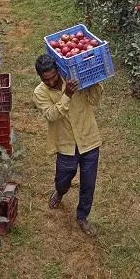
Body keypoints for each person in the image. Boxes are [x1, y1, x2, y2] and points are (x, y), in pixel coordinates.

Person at [33, 54, 103, 237]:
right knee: (63, 178)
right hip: (65, 144)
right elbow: (51, 115)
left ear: (57, 70)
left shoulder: (73, 79)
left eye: (53, 77)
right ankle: (60, 191)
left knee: (88, 183)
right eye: (45, 79)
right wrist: (67, 95)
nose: (50, 81)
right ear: (40, 77)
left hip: (88, 138)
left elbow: (94, 100)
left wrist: (92, 81)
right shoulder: (40, 93)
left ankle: (82, 217)